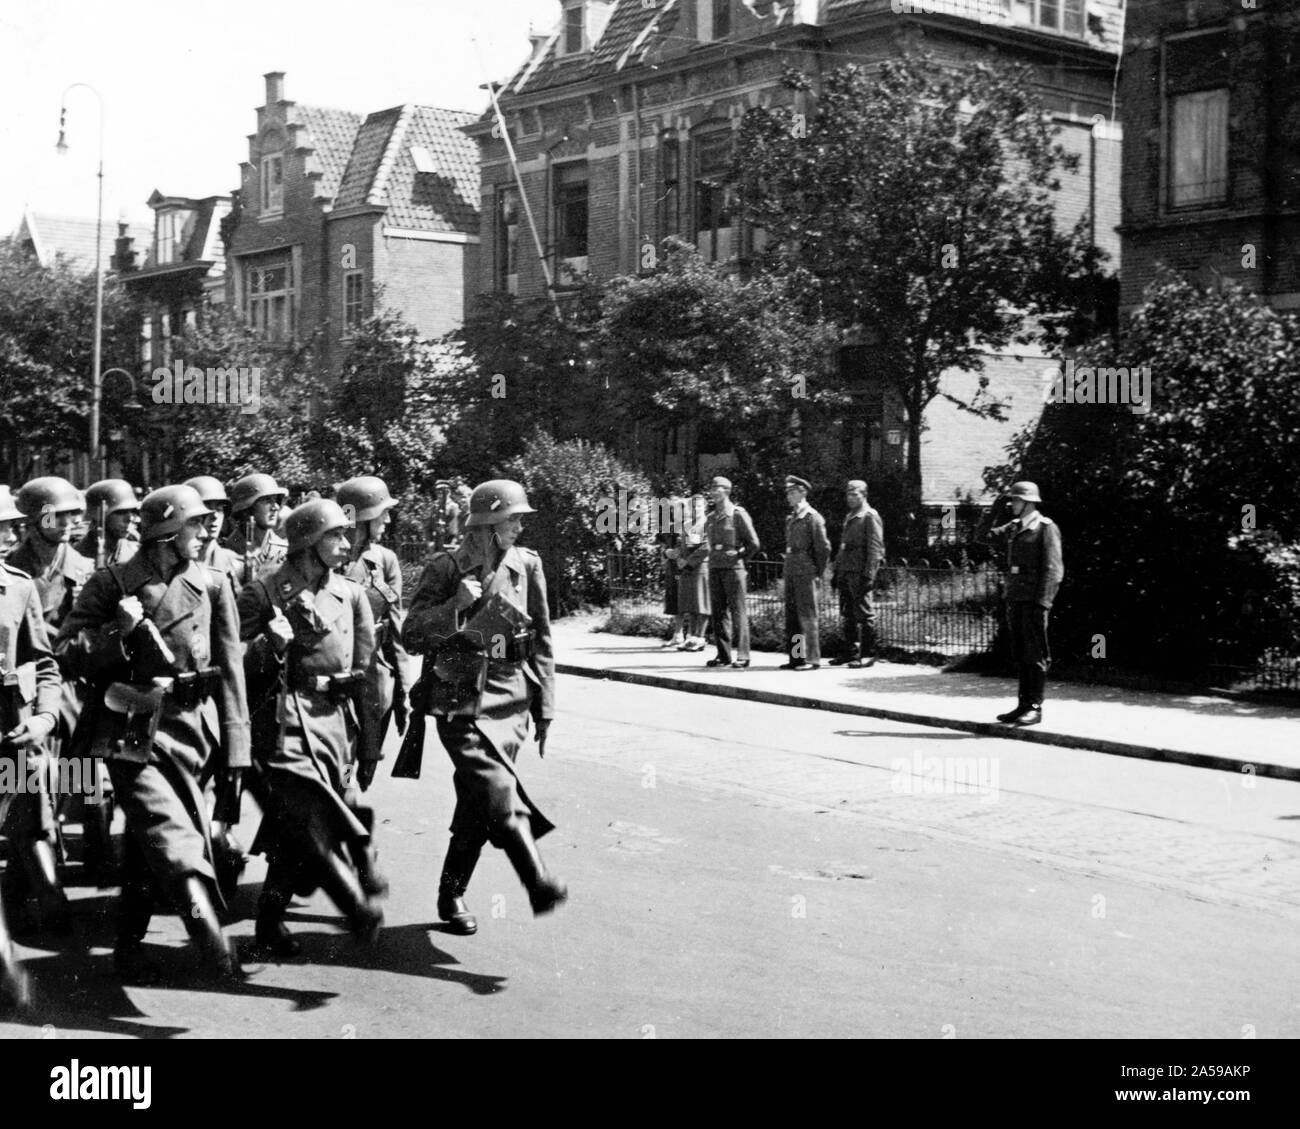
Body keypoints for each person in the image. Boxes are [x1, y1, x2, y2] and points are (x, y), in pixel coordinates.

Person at [56, 484, 251, 981]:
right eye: (195, 523)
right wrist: (117, 632)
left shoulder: (211, 582)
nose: (207, 529)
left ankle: (127, 942)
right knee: (170, 831)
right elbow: (67, 652)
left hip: (193, 727)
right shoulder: (112, 582)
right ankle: (212, 943)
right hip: (131, 726)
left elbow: (231, 667)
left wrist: (236, 745)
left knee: (152, 841)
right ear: (166, 533)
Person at [401, 479, 565, 936]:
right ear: (489, 523)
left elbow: (543, 639)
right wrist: (455, 606)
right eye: (512, 518)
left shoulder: (527, 565)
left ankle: (451, 892)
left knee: (478, 799)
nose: (519, 526)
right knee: (495, 788)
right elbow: (411, 633)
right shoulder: (447, 566)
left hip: (511, 699)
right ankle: (537, 879)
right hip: (459, 697)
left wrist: (545, 705)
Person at [238, 500, 385, 957]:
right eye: (335, 537)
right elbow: (229, 662)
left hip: (336, 722)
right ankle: (353, 899)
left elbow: (366, 671)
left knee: (297, 828)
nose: (346, 545)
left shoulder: (352, 594)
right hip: (285, 723)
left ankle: (268, 922)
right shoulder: (262, 594)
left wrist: (369, 747)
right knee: (306, 814)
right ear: (307, 542)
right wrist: (268, 644)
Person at [5, 476, 92, 931]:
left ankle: (23, 887)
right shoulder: (14, 570)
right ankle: (39, 888)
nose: (73, 522)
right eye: (63, 514)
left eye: (76, 514)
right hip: (24, 695)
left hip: (71, 689)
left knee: (66, 788)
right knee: (32, 788)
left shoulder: (84, 568)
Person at [0, 486, 63, 1010]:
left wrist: (45, 714)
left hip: (14, 735)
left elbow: (44, 664)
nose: (5, 535)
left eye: (7, 526)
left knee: (26, 824)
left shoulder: (18, 587)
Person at [336, 476, 410, 751]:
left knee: (365, 758)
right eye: (383, 513)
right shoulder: (325, 556)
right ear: (364, 516)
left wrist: (403, 686)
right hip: (336, 674)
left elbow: (395, 628)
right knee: (342, 769)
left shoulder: (385, 561)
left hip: (374, 676)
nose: (388, 521)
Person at [993, 481, 1064, 727]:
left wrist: (1043, 602)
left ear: (1029, 502)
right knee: (1021, 653)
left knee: (1035, 654)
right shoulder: (1014, 527)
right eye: (1011, 500)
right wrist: (991, 512)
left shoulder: (1045, 528)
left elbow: (1054, 570)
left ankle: (1035, 706)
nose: (1012, 504)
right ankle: (1023, 705)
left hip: (1034, 600)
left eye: (1015, 500)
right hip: (1016, 599)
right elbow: (983, 537)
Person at [702, 477, 760, 669]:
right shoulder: (710, 518)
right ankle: (723, 655)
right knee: (718, 613)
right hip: (715, 567)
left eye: (717, 489)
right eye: (712, 489)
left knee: (738, 612)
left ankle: (743, 656)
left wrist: (740, 556)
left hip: (734, 569)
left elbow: (753, 543)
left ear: (727, 491)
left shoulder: (737, 514)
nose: (713, 493)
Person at [830, 479, 886, 669]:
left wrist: (869, 575)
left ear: (864, 495)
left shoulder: (869, 516)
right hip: (846, 570)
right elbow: (843, 547)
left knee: (864, 613)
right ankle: (850, 652)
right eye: (848, 494)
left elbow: (875, 549)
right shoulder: (850, 516)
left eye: (855, 494)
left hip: (859, 571)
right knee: (847, 613)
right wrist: (836, 571)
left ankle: (868, 654)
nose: (851, 498)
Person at [780, 476, 831, 671]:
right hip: (792, 570)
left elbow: (823, 548)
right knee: (792, 616)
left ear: (803, 493)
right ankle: (796, 657)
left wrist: (817, 571)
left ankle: (812, 658)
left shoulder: (812, 517)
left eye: (793, 492)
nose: (789, 496)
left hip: (805, 571)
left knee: (808, 615)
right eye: (788, 493)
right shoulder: (792, 518)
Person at [184, 476, 245, 593]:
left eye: (219, 509)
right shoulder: (173, 565)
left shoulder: (235, 565)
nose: (215, 516)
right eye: (206, 508)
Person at [224, 473, 289, 584]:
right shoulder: (229, 550)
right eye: (267, 501)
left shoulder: (283, 550)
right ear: (247, 508)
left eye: (275, 500)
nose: (276, 507)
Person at [76, 479, 140, 567]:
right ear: (97, 514)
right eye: (121, 512)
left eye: (132, 511)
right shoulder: (76, 556)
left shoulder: (136, 553)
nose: (130, 518)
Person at [675, 493, 710, 652]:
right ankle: (692, 638)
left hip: (700, 568)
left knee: (701, 604)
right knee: (691, 604)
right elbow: (682, 546)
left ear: (705, 507)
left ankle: (700, 637)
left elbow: (706, 547)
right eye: (693, 506)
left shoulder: (707, 523)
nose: (696, 509)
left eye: (699, 506)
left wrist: (688, 562)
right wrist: (680, 560)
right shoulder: (688, 524)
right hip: (687, 569)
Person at [656, 497, 686, 648]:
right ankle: (678, 634)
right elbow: (663, 546)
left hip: (685, 567)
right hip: (672, 568)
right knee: (675, 601)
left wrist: (678, 552)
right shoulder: (667, 527)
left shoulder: (688, 525)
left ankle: (693, 635)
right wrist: (666, 552)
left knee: (687, 601)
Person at [426, 481, 460, 553]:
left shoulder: (453, 507)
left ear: (448, 492)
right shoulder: (435, 507)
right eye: (438, 492)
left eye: (442, 492)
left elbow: (453, 530)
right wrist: (430, 541)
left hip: (448, 543)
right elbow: (428, 527)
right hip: (435, 544)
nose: (439, 495)